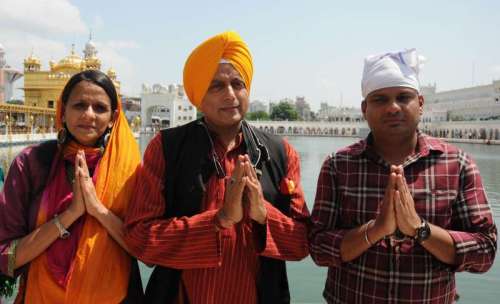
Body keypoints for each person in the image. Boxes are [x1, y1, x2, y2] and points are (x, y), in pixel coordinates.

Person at [124, 31, 309, 304]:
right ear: (198, 97)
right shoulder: (167, 148)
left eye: (238, 83)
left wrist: (262, 214)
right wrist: (219, 220)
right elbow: (139, 239)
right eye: (216, 86)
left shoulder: (279, 152)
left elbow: (303, 243)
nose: (230, 94)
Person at [309, 49, 497, 304]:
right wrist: (374, 231)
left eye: (403, 97)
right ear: (365, 109)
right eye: (380, 99)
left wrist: (420, 229)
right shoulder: (339, 166)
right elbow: (318, 248)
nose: (392, 107)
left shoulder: (457, 164)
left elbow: (485, 251)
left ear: (420, 104)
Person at [0, 70, 143, 303]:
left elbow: (145, 249)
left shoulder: (129, 171)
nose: (89, 115)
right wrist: (70, 214)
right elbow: (7, 255)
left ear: (114, 117)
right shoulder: (32, 164)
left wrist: (97, 209)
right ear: (63, 111)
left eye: (100, 108)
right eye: (79, 105)